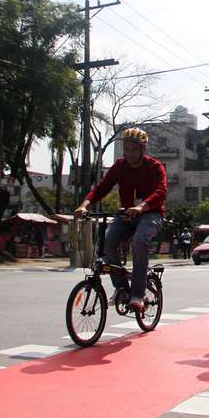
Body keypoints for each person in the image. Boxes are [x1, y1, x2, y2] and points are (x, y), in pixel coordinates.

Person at [74, 127, 167, 312]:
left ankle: (138, 294)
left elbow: (161, 192)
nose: (129, 153)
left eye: (133, 149)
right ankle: (121, 287)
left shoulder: (155, 167)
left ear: (143, 149)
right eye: (126, 149)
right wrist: (84, 205)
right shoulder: (119, 166)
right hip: (125, 215)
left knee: (139, 242)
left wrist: (141, 207)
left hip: (151, 215)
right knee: (107, 242)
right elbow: (101, 188)